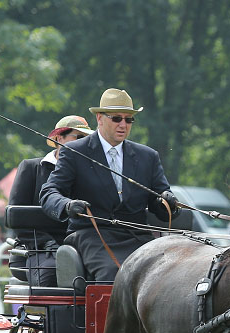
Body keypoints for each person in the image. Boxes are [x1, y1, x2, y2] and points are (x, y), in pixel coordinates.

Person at [40, 89, 180, 282]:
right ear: (100, 118)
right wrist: (67, 205)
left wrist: (168, 202)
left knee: (167, 274)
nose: (123, 124)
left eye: (129, 119)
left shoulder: (148, 156)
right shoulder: (74, 151)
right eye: (116, 118)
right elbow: (49, 193)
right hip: (90, 235)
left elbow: (160, 204)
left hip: (137, 236)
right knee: (115, 274)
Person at [9, 114, 93, 286]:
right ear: (58, 138)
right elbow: (17, 218)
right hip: (39, 249)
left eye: (87, 139)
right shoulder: (32, 168)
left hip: (83, 245)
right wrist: (46, 243)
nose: (83, 143)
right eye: (78, 137)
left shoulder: (91, 173)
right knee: (51, 274)